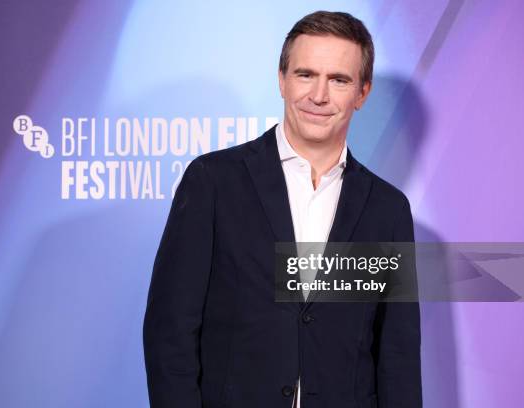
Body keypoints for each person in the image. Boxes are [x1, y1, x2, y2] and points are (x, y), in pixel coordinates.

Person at [143, 10, 421, 408]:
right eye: (305, 75)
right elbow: (170, 332)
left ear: (362, 93)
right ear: (282, 80)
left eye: (338, 80)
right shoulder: (213, 182)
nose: (319, 95)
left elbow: (398, 356)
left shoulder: (387, 210)